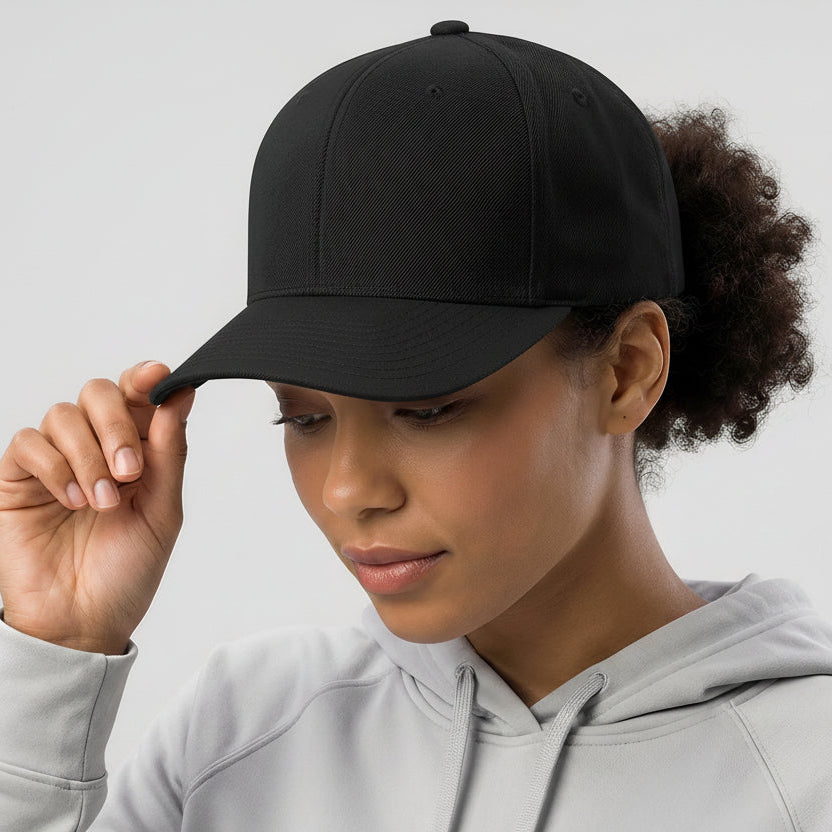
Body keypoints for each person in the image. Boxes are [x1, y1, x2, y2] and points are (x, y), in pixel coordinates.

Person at [1, 19, 830, 832]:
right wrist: (55, 650)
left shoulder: (809, 771)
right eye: (305, 415)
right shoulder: (243, 734)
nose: (348, 489)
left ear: (628, 370)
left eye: (427, 408)